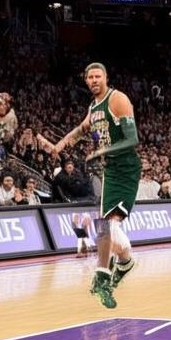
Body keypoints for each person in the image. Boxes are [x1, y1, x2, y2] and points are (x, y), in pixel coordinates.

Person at [39, 63, 141, 309]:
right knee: (106, 229)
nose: (94, 80)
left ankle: (103, 277)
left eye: (98, 76)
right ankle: (125, 262)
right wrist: (59, 146)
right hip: (110, 170)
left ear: (106, 78)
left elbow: (132, 139)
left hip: (126, 169)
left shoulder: (117, 99)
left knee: (105, 225)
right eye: (90, 77)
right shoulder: (94, 107)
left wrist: (102, 151)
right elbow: (80, 129)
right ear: (86, 81)